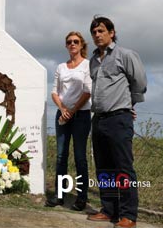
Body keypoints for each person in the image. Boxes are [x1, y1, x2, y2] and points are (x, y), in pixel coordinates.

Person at [87, 16, 147, 228]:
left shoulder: (126, 55)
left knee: (123, 167)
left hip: (118, 118)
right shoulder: (93, 60)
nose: (97, 35)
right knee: (104, 168)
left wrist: (130, 107)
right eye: (94, 32)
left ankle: (128, 215)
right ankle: (108, 210)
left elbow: (139, 82)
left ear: (111, 32)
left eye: (101, 31)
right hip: (99, 119)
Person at [45, 32, 92, 211]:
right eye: (69, 42)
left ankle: (81, 197)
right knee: (60, 156)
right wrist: (63, 110)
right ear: (66, 45)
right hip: (62, 115)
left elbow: (88, 91)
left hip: (81, 116)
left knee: (80, 157)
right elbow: (54, 92)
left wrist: (72, 110)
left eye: (76, 41)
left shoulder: (88, 65)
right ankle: (59, 195)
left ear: (81, 45)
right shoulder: (60, 67)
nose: (72, 44)